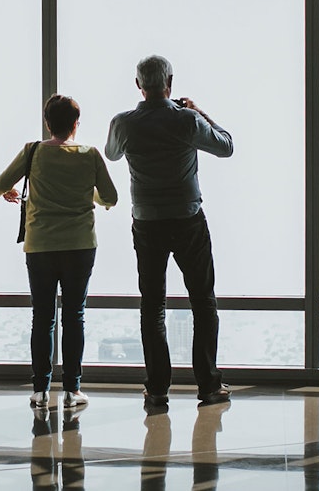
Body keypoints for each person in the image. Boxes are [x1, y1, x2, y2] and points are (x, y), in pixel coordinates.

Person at [104, 55, 233, 412]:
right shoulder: (186, 120)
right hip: (188, 219)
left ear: (138, 86)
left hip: (147, 223)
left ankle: (158, 389)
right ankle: (208, 385)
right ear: (170, 83)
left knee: (152, 306)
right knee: (203, 302)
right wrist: (200, 111)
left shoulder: (124, 124)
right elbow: (226, 146)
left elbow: (111, 154)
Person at [0, 94, 118, 410]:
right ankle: (72, 390)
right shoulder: (89, 155)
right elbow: (111, 197)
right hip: (79, 245)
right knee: (74, 316)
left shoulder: (32, 152)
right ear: (76, 124)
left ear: (48, 123)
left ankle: (40, 390)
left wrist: (7, 191)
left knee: (43, 318)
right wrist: (89, 195)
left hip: (40, 247)